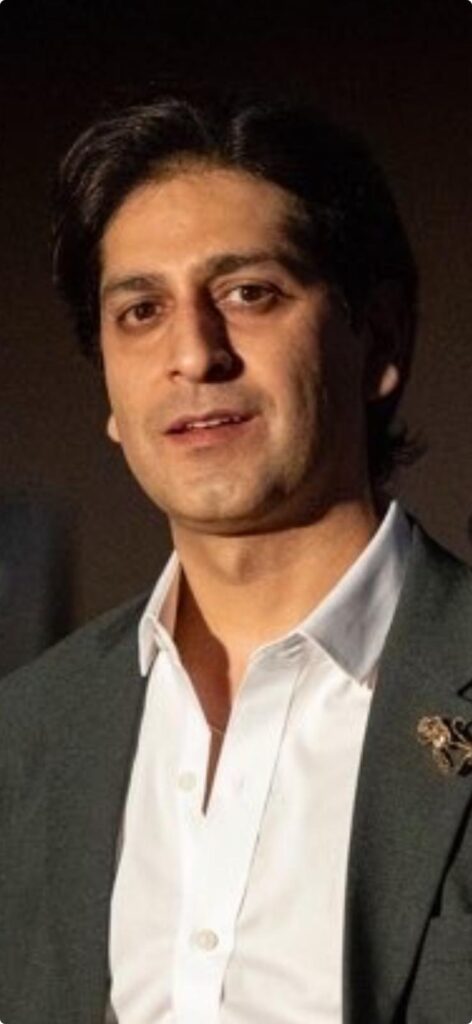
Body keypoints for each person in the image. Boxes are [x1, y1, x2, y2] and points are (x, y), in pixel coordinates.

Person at [1, 95, 471, 1024]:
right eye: (140, 311)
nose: (193, 353)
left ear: (380, 339)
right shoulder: (25, 738)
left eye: (249, 293)